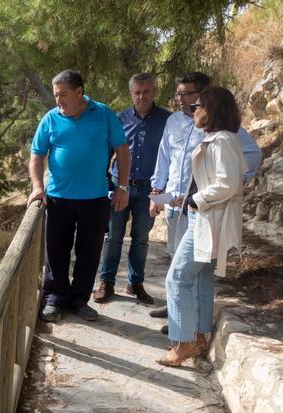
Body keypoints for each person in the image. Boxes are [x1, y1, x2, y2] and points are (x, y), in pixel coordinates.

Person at [149, 72, 262, 321]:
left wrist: (232, 182)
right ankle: (176, 311)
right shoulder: (174, 121)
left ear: (202, 95)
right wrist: (157, 189)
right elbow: (165, 155)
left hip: (202, 207)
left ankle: (186, 323)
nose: (181, 99)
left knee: (193, 270)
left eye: (187, 94)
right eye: (178, 93)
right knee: (176, 258)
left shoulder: (220, 128)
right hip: (174, 202)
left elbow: (252, 154)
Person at [28, 69, 131, 323]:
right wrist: (37, 187)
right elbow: (36, 155)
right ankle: (54, 298)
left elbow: (122, 149)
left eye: (63, 94)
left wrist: (123, 186)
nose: (58, 101)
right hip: (58, 198)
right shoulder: (51, 118)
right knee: (56, 251)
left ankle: (79, 300)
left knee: (89, 251)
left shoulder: (103, 113)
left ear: (79, 92)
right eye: (55, 95)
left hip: (94, 199)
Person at [156, 86, 246, 366]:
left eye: (199, 106)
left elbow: (228, 183)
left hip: (207, 219)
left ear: (212, 111)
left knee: (178, 277)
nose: (194, 111)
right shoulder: (221, 139)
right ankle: (199, 337)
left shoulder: (221, 141)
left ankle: (182, 345)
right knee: (201, 278)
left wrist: (197, 199)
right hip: (207, 216)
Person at [93, 73, 171, 305]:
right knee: (113, 236)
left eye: (146, 91)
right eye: (137, 92)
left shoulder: (168, 120)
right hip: (120, 188)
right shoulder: (119, 119)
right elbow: (105, 155)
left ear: (154, 92)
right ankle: (106, 282)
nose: (142, 96)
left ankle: (135, 283)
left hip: (150, 190)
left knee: (141, 239)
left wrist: (162, 193)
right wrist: (109, 186)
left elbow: (171, 158)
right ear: (131, 94)